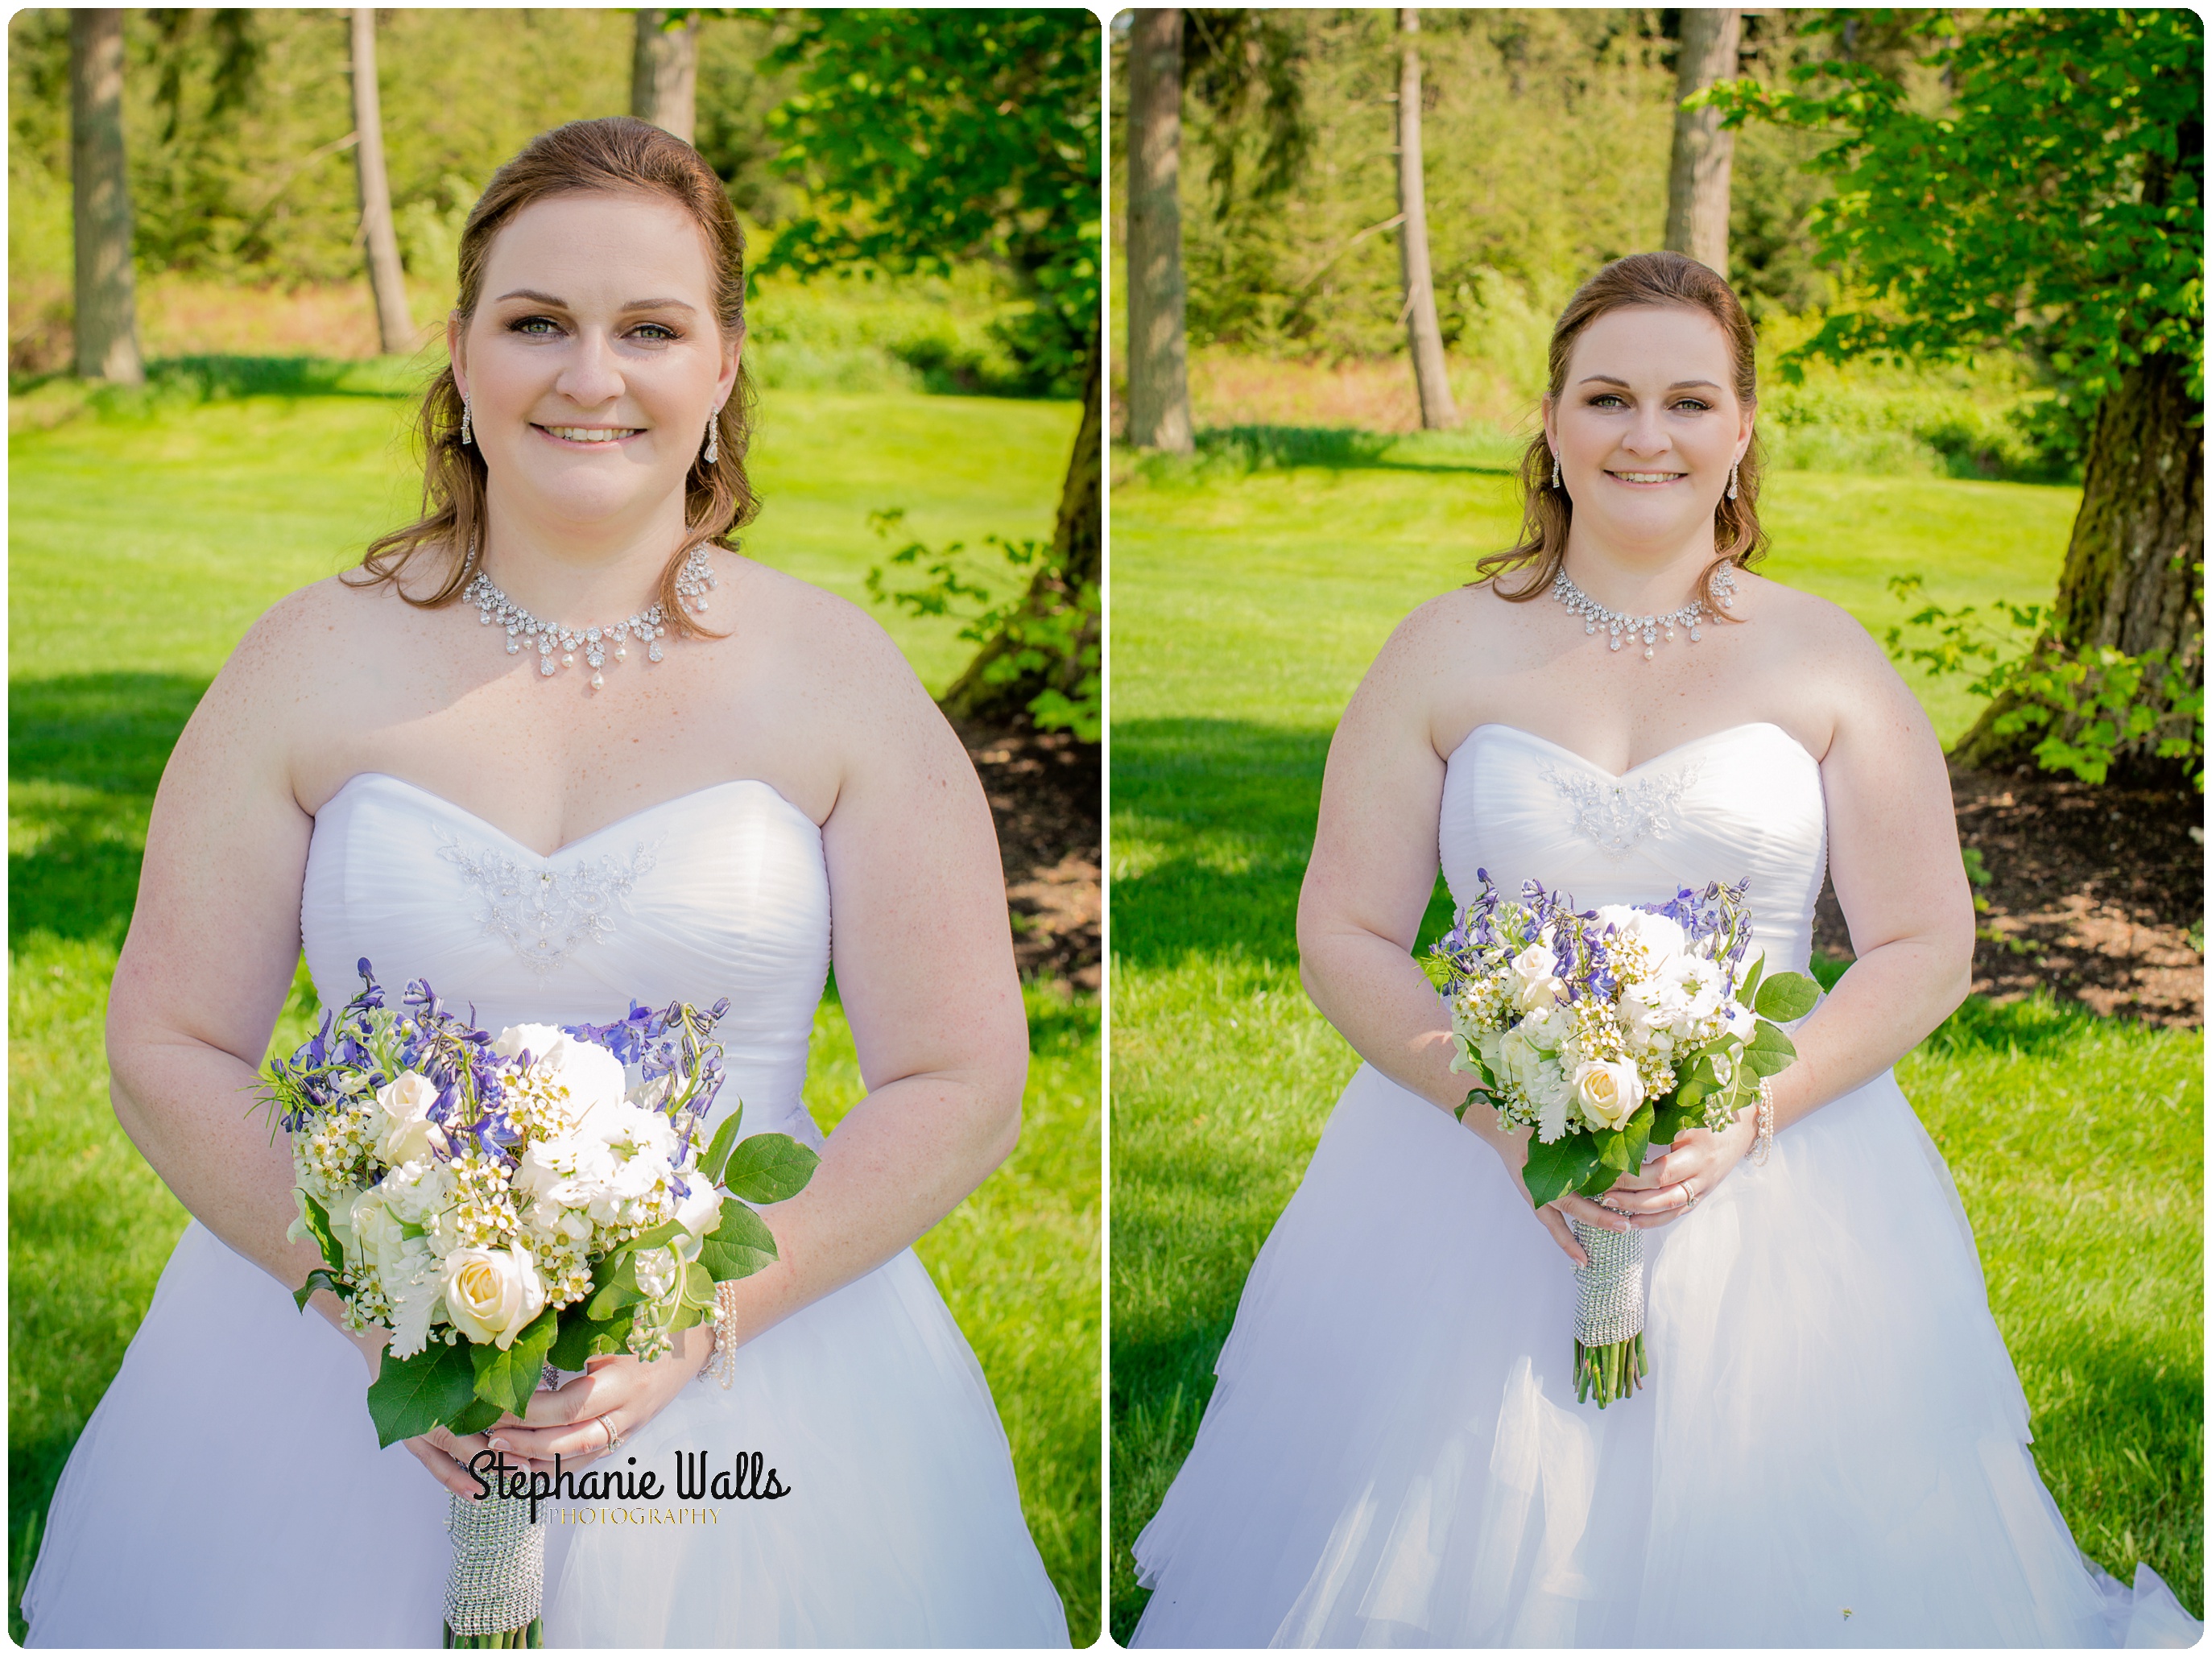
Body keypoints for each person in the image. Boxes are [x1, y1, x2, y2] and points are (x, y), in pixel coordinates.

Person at [23, 118, 1068, 1648]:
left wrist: (701, 1321)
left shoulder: (836, 677)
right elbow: (167, 1041)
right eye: (537, 324)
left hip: (752, 1382)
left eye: (650, 327)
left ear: (720, 369)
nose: (592, 375)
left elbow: (961, 1073)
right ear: (460, 356)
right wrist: (381, 1310)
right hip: (332, 1371)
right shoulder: (308, 659)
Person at [1127, 251, 2198, 1648]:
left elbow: (1929, 940)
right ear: (1555, 425)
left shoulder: (1826, 658)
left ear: (1743, 428)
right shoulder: (1442, 650)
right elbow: (1342, 927)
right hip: (1467, 1175)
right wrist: (1497, 1113)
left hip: (1781, 1173)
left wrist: (1752, 1108)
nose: (1649, 434)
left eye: (1690, 400)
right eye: (1610, 397)